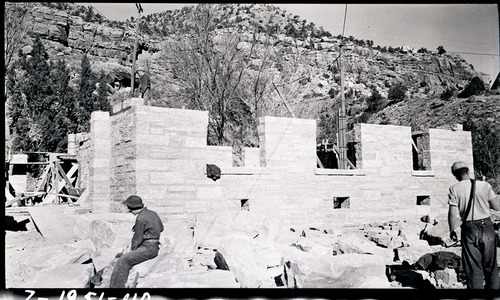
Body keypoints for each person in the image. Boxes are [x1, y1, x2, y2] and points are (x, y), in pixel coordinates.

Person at [447, 161, 500, 289]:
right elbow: (496, 206)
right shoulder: (484, 185)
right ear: (468, 171)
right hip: (487, 226)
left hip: (469, 228)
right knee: (491, 265)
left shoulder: (454, 189)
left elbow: (452, 214)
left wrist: (452, 230)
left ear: (455, 175)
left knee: (473, 266)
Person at [109, 195, 164, 288]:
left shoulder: (140, 219)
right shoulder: (153, 213)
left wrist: (131, 251)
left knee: (123, 260)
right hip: (154, 247)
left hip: (147, 248)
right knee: (121, 256)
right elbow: (161, 228)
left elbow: (137, 239)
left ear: (131, 208)